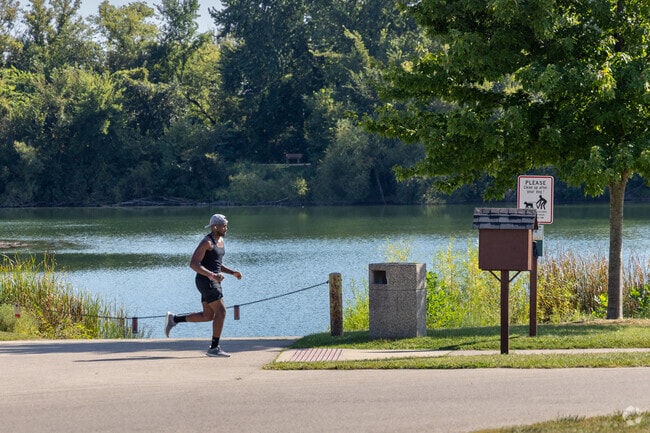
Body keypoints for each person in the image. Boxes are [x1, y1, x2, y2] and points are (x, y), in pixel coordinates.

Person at [165, 213, 242, 357]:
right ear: (214, 226)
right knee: (221, 312)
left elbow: (217, 264)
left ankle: (174, 319)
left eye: (226, 225)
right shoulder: (207, 242)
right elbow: (193, 263)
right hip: (207, 281)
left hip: (210, 280)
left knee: (208, 315)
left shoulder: (220, 241)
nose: (226, 228)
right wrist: (212, 275)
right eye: (223, 226)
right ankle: (214, 348)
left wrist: (232, 272)